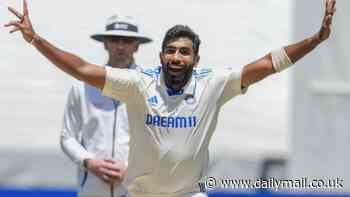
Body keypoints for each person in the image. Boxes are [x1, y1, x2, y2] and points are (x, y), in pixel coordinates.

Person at [5, 0, 336, 196]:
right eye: (171, 51)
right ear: (160, 56)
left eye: (185, 53)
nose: (177, 58)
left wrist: (316, 39)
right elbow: (81, 69)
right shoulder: (136, 83)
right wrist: (36, 40)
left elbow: (268, 64)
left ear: (196, 59)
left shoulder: (214, 83)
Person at [60, 14, 152, 197]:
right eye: (114, 39)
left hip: (137, 188)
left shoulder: (151, 86)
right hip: (92, 189)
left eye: (126, 40)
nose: (120, 46)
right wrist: (89, 162)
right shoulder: (82, 85)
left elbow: (161, 140)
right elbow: (67, 137)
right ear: (105, 43)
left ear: (137, 45)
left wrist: (130, 169)